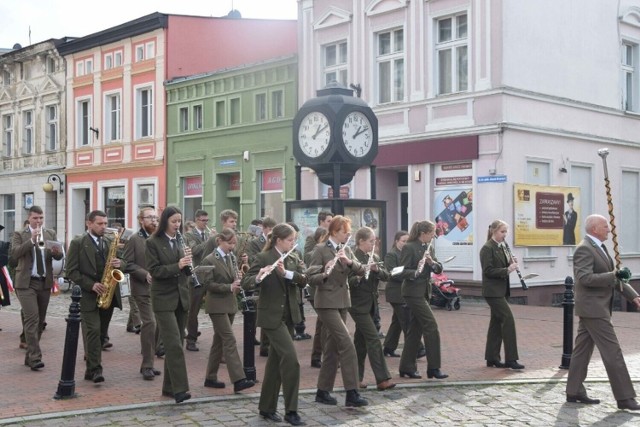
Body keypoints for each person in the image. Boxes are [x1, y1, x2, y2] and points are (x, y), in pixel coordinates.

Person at [566, 214, 640, 410]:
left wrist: (633, 296)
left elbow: (614, 279)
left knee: (582, 351)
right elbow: (585, 278)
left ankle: (574, 391)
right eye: (605, 226)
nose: (609, 229)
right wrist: (613, 274)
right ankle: (625, 397)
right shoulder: (584, 248)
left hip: (595, 308)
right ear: (594, 229)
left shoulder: (600, 247)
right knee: (612, 352)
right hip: (594, 309)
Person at [242, 223, 308, 425]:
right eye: (289, 240)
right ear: (278, 240)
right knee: (291, 360)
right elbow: (246, 281)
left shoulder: (294, 256)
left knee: (274, 364)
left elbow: (304, 280)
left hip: (289, 315)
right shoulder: (264, 257)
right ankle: (291, 411)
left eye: (294, 239)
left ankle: (266, 407)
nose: (293, 243)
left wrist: (286, 273)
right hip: (271, 317)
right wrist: (260, 276)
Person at [308, 215, 368, 408]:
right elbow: (310, 276)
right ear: (334, 232)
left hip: (342, 301)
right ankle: (352, 392)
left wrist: (348, 262)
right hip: (326, 302)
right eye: (345, 232)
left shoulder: (346, 249)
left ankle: (322, 392)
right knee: (347, 343)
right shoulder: (320, 249)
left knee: (332, 349)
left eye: (349, 232)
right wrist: (325, 271)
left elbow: (360, 270)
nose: (348, 235)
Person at [66, 210, 126, 383]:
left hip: (108, 293)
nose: (104, 227)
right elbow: (71, 271)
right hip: (88, 296)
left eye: (105, 223)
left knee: (101, 334)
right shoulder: (78, 242)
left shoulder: (109, 241)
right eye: (100, 224)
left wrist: (119, 263)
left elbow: (125, 262)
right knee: (92, 330)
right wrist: (90, 285)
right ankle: (95, 369)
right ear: (89, 223)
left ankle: (90, 368)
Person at [198, 228, 255, 393]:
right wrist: (229, 286)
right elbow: (207, 284)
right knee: (229, 339)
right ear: (220, 241)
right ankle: (239, 379)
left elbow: (233, 279)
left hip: (229, 304)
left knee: (219, 341)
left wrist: (238, 279)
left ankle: (210, 377)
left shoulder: (230, 257)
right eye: (229, 243)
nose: (232, 247)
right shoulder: (209, 259)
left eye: (234, 244)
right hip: (216, 305)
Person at [145, 206, 192, 404]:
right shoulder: (153, 242)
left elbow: (185, 270)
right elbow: (155, 271)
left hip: (181, 297)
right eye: (173, 221)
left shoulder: (181, 240)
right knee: (173, 344)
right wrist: (178, 265)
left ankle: (168, 387)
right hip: (163, 298)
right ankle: (181, 389)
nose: (177, 225)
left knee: (178, 341)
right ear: (165, 222)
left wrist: (189, 264)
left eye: (179, 221)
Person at [10, 206, 63, 371]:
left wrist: (56, 252)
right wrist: (31, 241)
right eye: (35, 218)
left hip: (44, 281)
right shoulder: (20, 234)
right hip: (26, 283)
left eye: (41, 218)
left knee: (40, 321)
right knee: (32, 319)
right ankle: (35, 357)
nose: (39, 221)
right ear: (29, 218)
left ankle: (29, 356)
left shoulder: (50, 234)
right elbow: (15, 254)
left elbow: (58, 256)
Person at [398, 220, 448, 380]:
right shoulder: (409, 247)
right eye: (432, 233)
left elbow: (439, 268)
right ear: (423, 233)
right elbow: (401, 271)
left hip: (424, 292)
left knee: (415, 330)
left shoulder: (429, 247)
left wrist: (432, 263)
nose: (434, 235)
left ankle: (406, 367)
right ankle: (434, 368)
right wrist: (416, 271)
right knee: (431, 326)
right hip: (412, 292)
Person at [348, 226, 395, 391]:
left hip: (371, 304)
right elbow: (349, 282)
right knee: (374, 339)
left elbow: (386, 276)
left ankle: (355, 379)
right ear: (361, 241)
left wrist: (376, 269)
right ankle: (382, 379)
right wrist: (361, 274)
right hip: (357, 305)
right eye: (371, 241)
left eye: (375, 241)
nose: (373, 244)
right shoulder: (352, 256)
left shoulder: (373, 256)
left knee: (360, 343)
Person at [479, 220, 524, 370]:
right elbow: (488, 271)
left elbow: (502, 265)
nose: (505, 235)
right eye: (502, 232)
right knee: (508, 319)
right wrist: (507, 270)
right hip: (492, 292)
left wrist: (510, 262)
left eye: (506, 232)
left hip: (501, 290)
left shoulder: (502, 246)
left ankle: (492, 358)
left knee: (496, 323)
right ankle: (511, 359)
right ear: (493, 231)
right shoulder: (487, 248)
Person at [123, 207, 162, 380]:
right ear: (141, 220)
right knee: (150, 323)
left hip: (160, 289)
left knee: (158, 325)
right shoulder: (134, 239)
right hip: (142, 288)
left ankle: (151, 357)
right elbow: (127, 263)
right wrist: (144, 273)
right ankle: (147, 364)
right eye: (150, 218)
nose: (154, 221)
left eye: (155, 217)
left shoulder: (160, 238)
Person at [383, 230, 424, 359]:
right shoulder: (391, 254)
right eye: (403, 241)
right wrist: (409, 275)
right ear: (396, 242)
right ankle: (418, 348)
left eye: (407, 241)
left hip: (404, 291)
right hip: (396, 292)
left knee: (397, 322)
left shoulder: (406, 253)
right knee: (407, 321)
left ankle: (389, 347)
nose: (405, 243)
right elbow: (391, 273)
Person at [184, 209, 216, 352]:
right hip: (196, 276)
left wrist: (216, 241)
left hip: (209, 275)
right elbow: (195, 250)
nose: (205, 223)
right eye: (203, 220)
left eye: (207, 220)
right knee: (193, 310)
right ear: (196, 220)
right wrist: (210, 240)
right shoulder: (189, 235)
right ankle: (191, 339)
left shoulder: (209, 235)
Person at [247, 216, 277, 357]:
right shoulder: (255, 242)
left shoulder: (276, 242)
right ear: (264, 229)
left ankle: (266, 345)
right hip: (260, 277)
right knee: (260, 312)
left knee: (268, 312)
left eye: (273, 229)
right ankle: (253, 338)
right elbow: (253, 258)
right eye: (269, 229)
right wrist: (266, 263)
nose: (271, 231)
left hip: (273, 279)